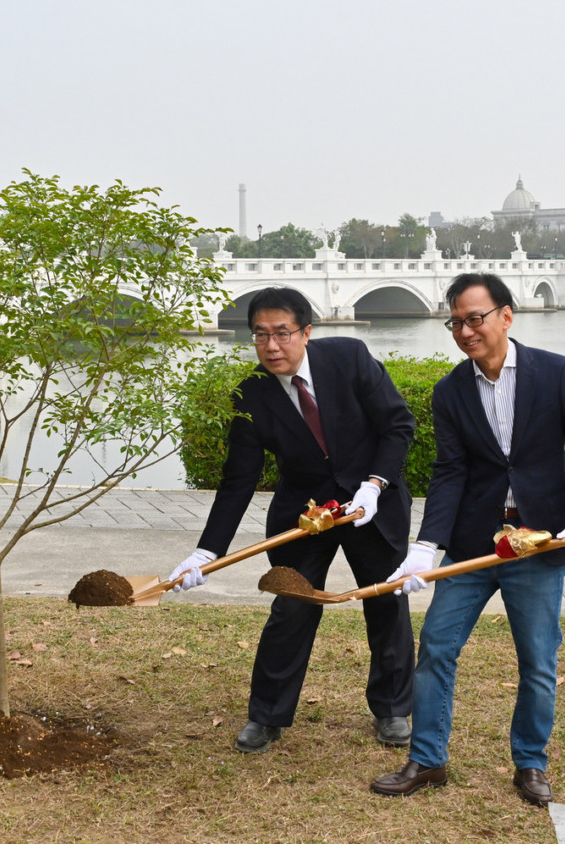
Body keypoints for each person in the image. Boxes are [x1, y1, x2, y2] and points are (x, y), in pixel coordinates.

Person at [370, 272, 565, 804]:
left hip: (539, 543)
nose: (464, 330)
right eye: (455, 321)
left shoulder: (555, 373)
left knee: (538, 661)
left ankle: (530, 764)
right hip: (473, 544)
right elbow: (450, 471)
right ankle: (427, 760)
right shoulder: (450, 390)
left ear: (505, 315)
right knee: (435, 648)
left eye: (474, 318)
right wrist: (425, 546)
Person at [168, 286, 417, 753]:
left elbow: (398, 423)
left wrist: (375, 484)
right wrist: (207, 550)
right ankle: (267, 716)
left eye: (282, 333)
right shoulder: (251, 394)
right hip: (304, 514)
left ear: (306, 331)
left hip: (371, 504)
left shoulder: (349, 357)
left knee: (386, 603)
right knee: (291, 607)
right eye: (260, 335)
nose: (272, 346)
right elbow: (238, 480)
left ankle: (392, 710)